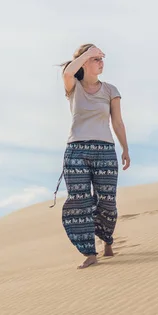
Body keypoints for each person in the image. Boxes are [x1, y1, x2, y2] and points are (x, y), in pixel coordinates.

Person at [50, 43, 130, 269]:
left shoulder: (111, 90)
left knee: (107, 201)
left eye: (102, 58)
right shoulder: (73, 86)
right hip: (76, 151)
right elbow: (67, 72)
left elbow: (118, 122)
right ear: (85, 62)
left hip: (105, 151)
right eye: (96, 58)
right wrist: (88, 52)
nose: (101, 62)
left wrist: (125, 148)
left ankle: (106, 240)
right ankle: (89, 252)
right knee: (80, 201)